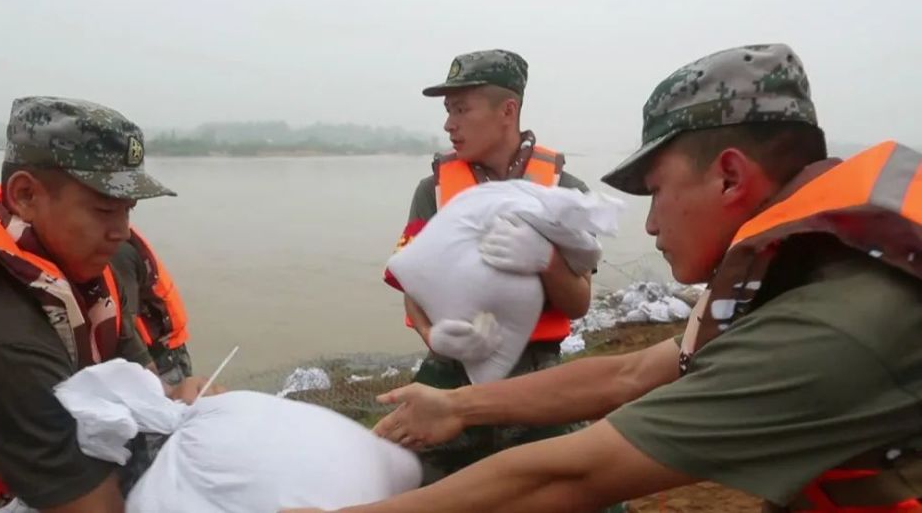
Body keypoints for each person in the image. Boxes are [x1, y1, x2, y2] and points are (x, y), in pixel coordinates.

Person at [299, 43, 922, 512]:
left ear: (729, 176)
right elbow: (632, 370)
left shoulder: (835, 323)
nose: (649, 226)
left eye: (655, 191)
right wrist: (457, 404)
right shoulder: (809, 266)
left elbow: (571, 474)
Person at [0, 97, 222, 513]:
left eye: (127, 210)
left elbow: (145, 379)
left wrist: (178, 394)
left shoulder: (83, 271)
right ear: (25, 195)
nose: (122, 233)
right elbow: (93, 508)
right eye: (103, 209)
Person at [381, 49, 598, 485]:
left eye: (461, 109)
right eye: (447, 111)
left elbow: (578, 304)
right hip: (450, 372)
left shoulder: (564, 191)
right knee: (402, 480)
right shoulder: (435, 191)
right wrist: (435, 336)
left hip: (538, 373)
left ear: (508, 110)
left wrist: (546, 260)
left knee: (566, 487)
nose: (449, 124)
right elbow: (412, 282)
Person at [110, 234, 192, 385]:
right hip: (169, 351)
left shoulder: (118, 253)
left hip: (159, 362)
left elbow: (125, 324)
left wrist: (151, 378)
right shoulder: (119, 245)